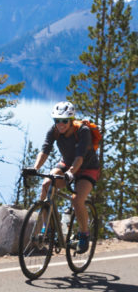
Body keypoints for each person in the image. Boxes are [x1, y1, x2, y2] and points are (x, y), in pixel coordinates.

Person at [28, 101, 99, 254]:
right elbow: (45, 150)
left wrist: (71, 173)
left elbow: (80, 157)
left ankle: (84, 235)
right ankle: (45, 230)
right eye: (57, 120)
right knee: (46, 185)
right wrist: (35, 168)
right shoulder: (54, 131)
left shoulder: (83, 131)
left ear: (71, 120)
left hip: (87, 168)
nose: (60, 124)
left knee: (76, 199)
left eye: (64, 121)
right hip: (66, 164)